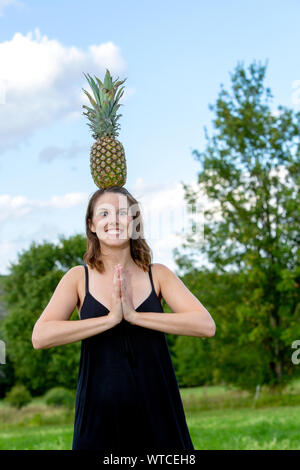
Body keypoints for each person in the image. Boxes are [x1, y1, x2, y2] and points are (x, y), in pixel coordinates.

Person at [32, 186, 216, 452]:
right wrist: (110, 319)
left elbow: (205, 325)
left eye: (122, 213)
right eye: (104, 213)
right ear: (92, 224)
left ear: (134, 223)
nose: (114, 220)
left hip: (158, 410)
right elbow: (41, 336)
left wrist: (135, 316)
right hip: (98, 414)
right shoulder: (77, 278)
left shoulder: (159, 275)